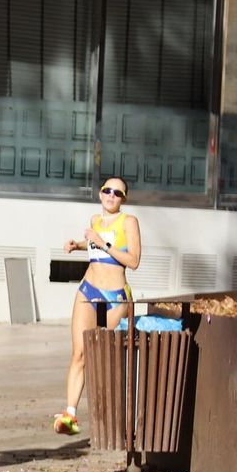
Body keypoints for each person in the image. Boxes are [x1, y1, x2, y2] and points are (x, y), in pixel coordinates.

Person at [56, 175, 142, 435]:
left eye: (118, 193)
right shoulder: (95, 220)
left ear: (124, 199)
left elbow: (134, 260)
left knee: (103, 356)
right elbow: (96, 248)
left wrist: (102, 241)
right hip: (88, 290)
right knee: (79, 353)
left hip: (112, 298)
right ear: (100, 193)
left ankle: (113, 419)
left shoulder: (129, 222)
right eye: (107, 190)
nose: (111, 195)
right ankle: (70, 415)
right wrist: (80, 245)